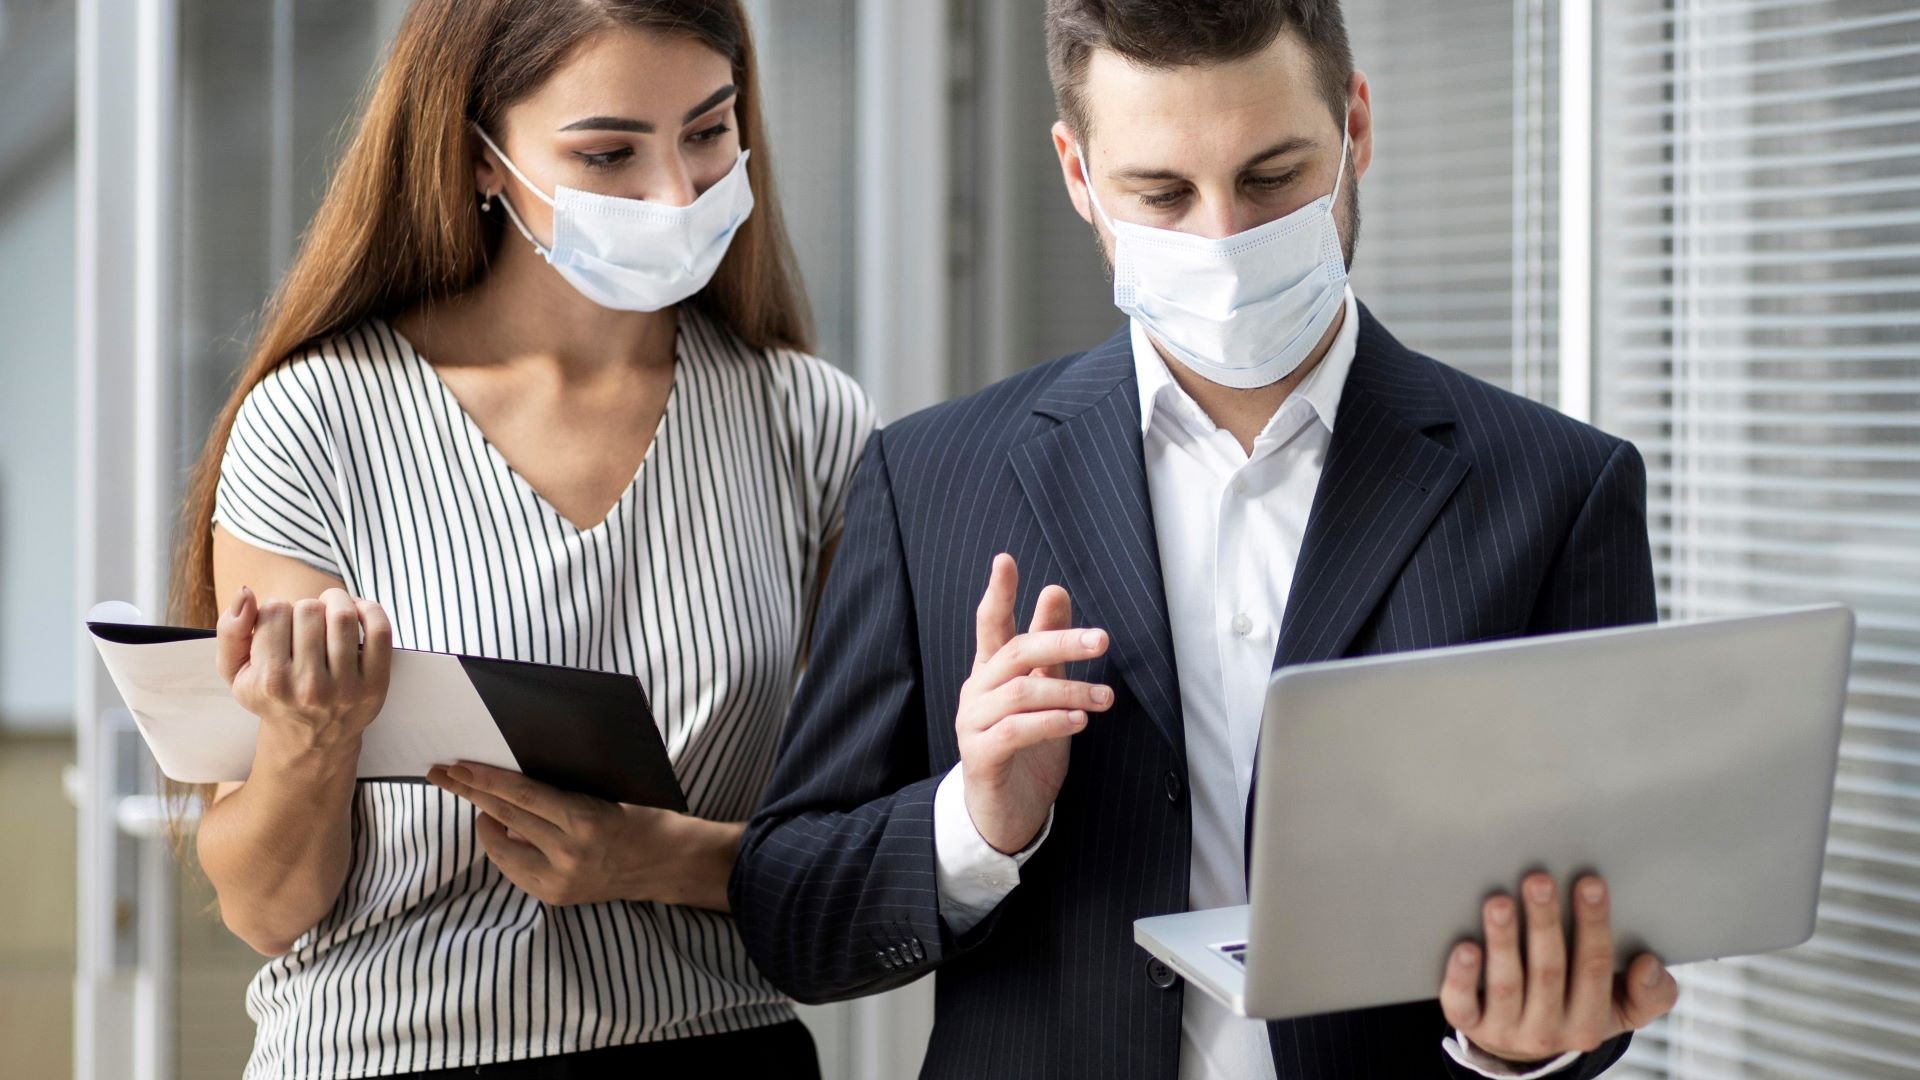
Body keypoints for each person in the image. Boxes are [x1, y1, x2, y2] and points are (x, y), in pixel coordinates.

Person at [730, 1, 1679, 1077]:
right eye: (1163, 193)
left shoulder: (1559, 489)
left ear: (1356, 129)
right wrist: (977, 822)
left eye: (1273, 178)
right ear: (1079, 175)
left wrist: (1521, 1049)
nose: (1224, 240)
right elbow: (790, 910)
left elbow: (1596, 931)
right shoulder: (930, 479)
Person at [170, 1, 872, 1075]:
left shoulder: (808, 423)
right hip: (383, 1056)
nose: (676, 195)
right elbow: (265, 911)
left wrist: (656, 860)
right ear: (481, 157)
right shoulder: (317, 420)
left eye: (708, 132)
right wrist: (310, 748)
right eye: (608, 153)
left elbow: (879, 849)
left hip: (716, 1045)